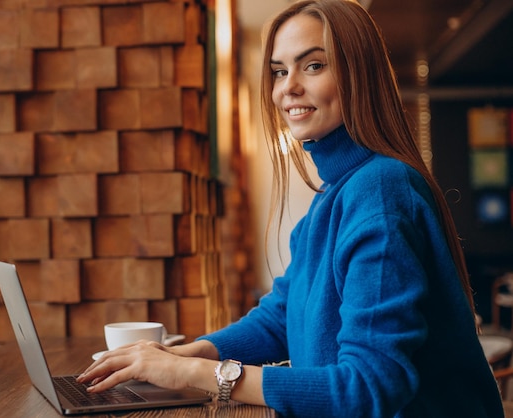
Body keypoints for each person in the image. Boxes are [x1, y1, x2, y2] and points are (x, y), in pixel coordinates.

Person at [77, 0, 505, 416]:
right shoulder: (333, 196)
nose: (288, 87)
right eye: (279, 71)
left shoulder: (379, 190)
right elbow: (281, 317)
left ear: (360, 75)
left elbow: (369, 387)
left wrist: (195, 371)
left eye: (313, 65)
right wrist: (177, 355)